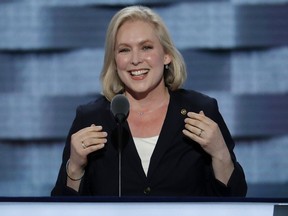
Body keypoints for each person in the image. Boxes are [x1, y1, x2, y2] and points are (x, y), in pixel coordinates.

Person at [51, 5, 247, 197]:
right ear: (115, 60)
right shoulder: (91, 118)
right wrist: (75, 166)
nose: (135, 59)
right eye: (124, 50)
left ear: (166, 55)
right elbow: (60, 207)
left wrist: (221, 154)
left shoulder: (200, 111)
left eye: (146, 47)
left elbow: (236, 199)